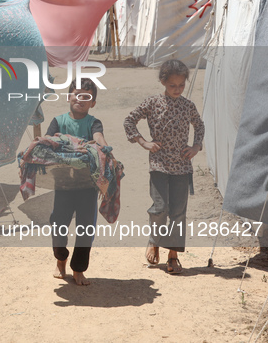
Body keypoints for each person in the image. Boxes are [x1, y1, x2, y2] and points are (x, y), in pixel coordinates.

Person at [123, 59, 205, 274]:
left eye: (181, 85)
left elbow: (199, 125)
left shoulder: (188, 106)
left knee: (178, 211)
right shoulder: (152, 103)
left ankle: (173, 255)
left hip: (182, 166)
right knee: (160, 208)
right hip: (159, 164)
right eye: (172, 85)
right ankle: (154, 241)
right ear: (163, 82)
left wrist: (196, 146)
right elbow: (129, 121)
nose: (177, 90)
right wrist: (143, 142)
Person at [46, 78, 108, 286]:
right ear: (68, 97)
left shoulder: (93, 123)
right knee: (58, 225)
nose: (80, 99)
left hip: (87, 186)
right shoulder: (58, 121)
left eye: (86, 96)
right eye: (76, 94)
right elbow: (47, 143)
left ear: (93, 103)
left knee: (85, 228)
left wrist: (105, 151)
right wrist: (72, 147)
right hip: (63, 184)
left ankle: (78, 269)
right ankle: (61, 258)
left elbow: (98, 138)